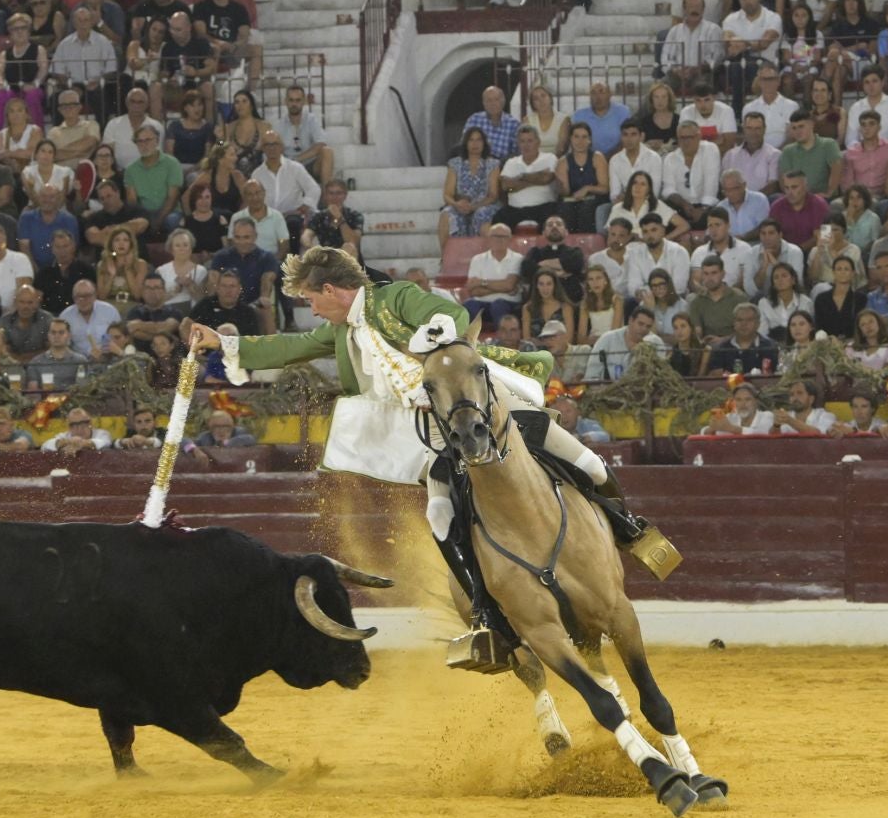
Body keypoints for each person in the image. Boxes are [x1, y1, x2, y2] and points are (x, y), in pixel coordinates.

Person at [187, 247, 670, 667]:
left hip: (480, 407)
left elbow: (453, 319)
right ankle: (484, 614)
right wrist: (223, 342)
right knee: (441, 515)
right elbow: (286, 346)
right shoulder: (339, 333)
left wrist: (428, 350)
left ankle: (631, 529)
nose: (310, 310)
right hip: (433, 435)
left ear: (331, 289)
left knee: (588, 464)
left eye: (311, 299)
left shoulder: (394, 298)